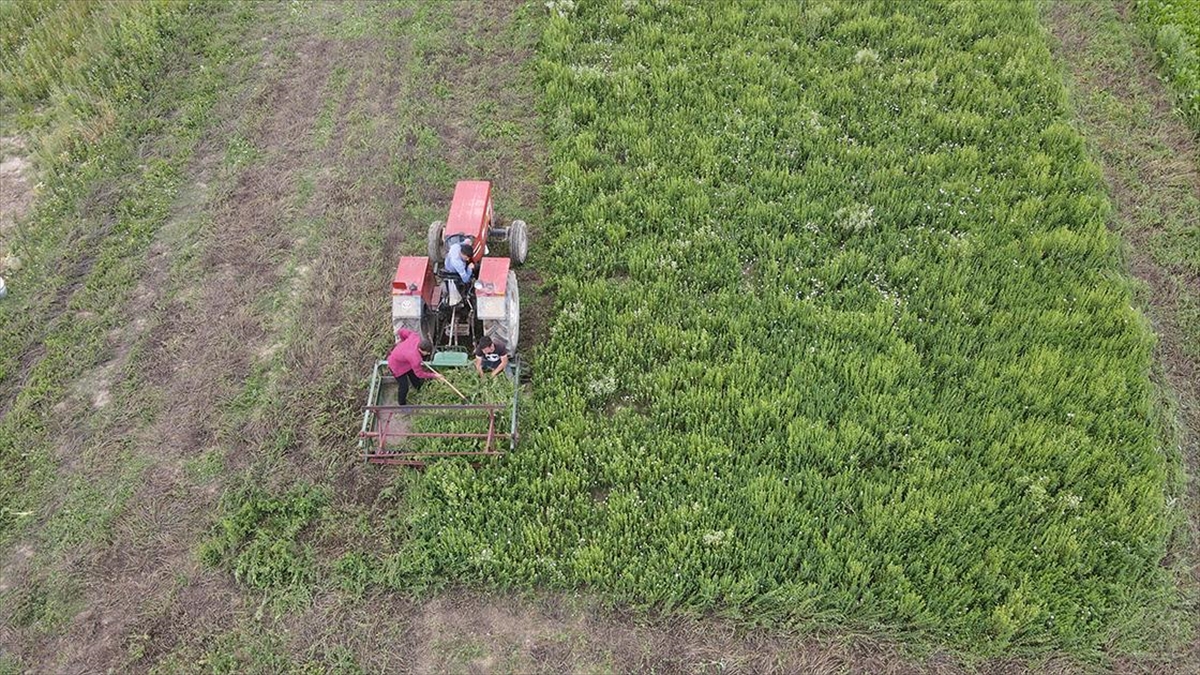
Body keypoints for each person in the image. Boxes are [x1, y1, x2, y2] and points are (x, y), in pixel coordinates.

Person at [388, 328, 443, 404]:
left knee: (414, 377)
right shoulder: (415, 358)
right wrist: (434, 375)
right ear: (421, 350)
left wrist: (403, 341)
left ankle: (419, 388)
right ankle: (402, 404)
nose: (428, 354)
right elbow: (420, 374)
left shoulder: (415, 337)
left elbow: (401, 331)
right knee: (404, 387)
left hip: (406, 361)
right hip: (396, 366)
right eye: (427, 353)